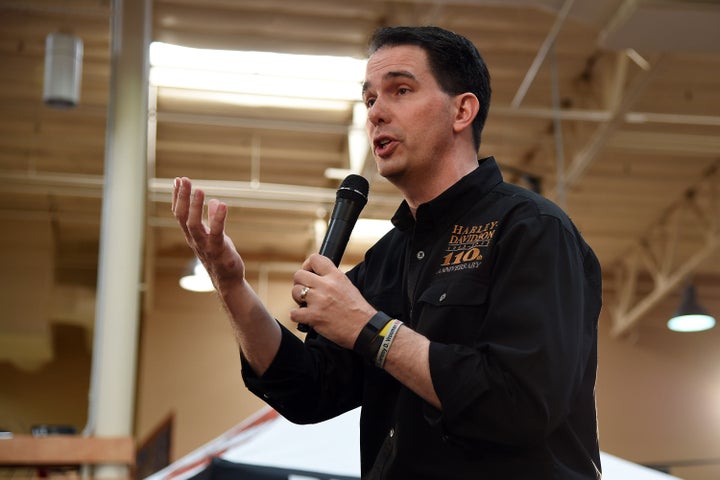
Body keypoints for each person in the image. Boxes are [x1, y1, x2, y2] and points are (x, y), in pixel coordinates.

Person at [172, 25, 602, 480]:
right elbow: (305, 390)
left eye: (400, 90)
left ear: (462, 110)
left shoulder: (532, 229)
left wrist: (368, 328)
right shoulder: (385, 261)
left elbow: (522, 404)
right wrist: (231, 283)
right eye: (370, 99)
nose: (376, 113)